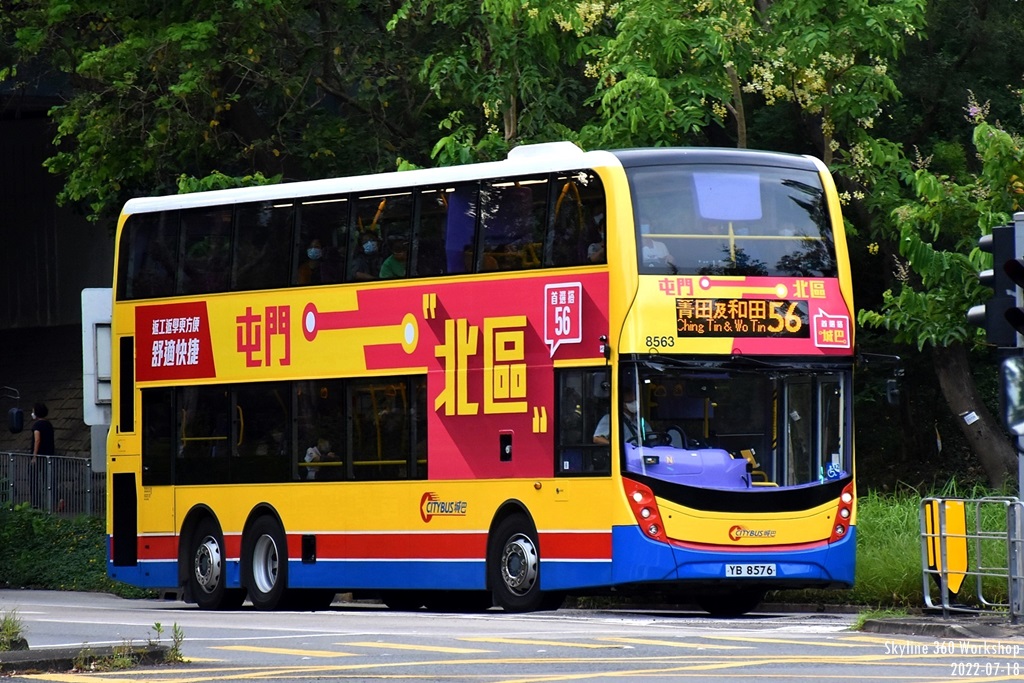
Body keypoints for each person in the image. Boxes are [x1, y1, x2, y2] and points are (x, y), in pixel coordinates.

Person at [29, 402, 54, 508]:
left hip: (39, 456)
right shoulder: (48, 424)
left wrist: (34, 456)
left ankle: (36, 502)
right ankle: (54, 501)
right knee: (48, 479)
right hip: (49, 455)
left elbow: (37, 440)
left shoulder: (37, 425)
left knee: (34, 479)